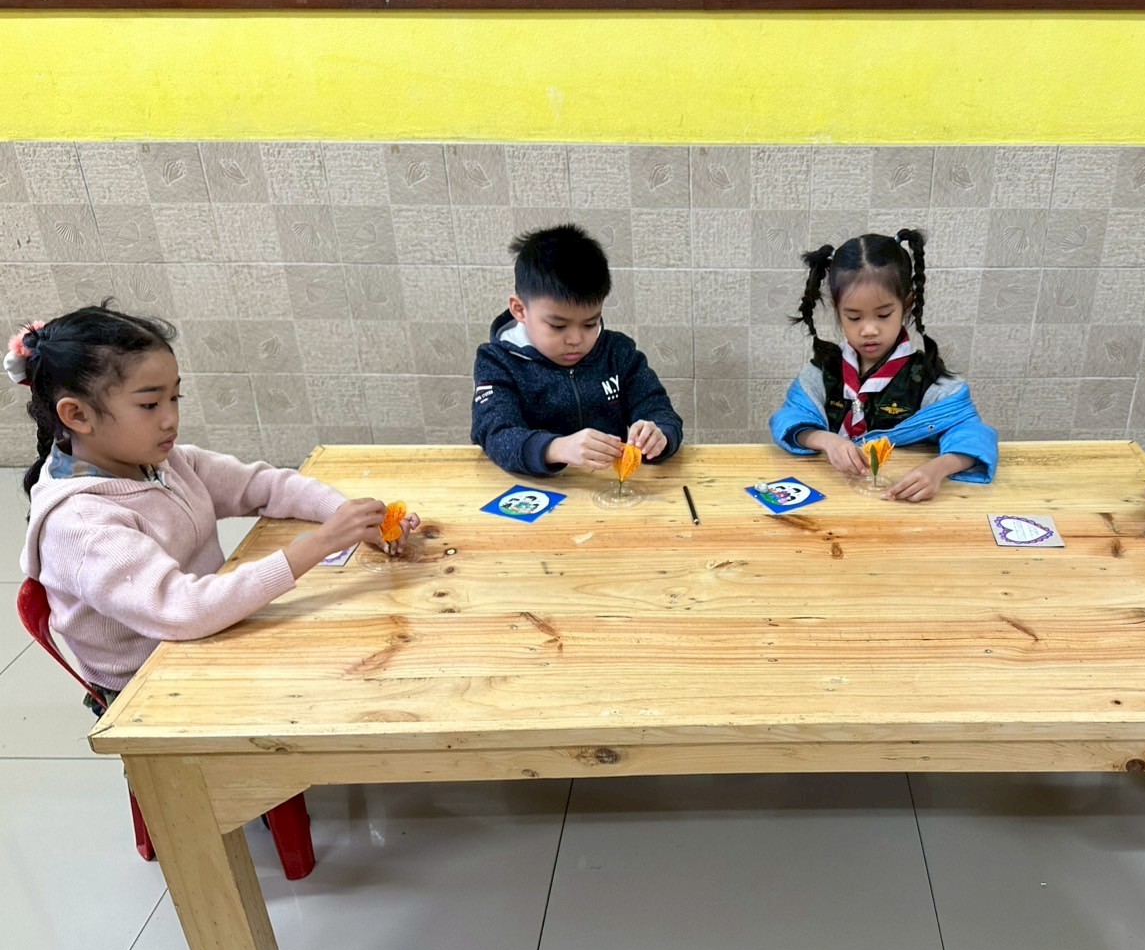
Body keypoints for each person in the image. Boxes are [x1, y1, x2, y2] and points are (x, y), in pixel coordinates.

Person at [10, 303, 418, 715]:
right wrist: (322, 543)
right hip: (155, 690)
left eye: (175, 397)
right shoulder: (81, 526)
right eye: (150, 405)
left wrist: (349, 516)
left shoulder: (166, 462)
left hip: (211, 635)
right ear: (77, 415)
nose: (171, 419)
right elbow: (183, 610)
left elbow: (264, 485)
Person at [770, 229, 997, 501]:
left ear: (907, 304)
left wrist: (938, 469)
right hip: (831, 496)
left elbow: (973, 433)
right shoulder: (823, 371)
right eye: (854, 317)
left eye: (883, 315)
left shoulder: (928, 379)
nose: (869, 330)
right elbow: (788, 418)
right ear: (838, 310)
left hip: (900, 499)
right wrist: (824, 439)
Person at [472, 224, 683, 477]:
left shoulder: (618, 353)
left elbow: (658, 408)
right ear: (520, 310)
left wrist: (659, 435)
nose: (575, 340)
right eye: (558, 326)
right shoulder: (497, 362)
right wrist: (556, 448)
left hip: (608, 485)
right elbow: (495, 434)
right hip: (535, 489)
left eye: (590, 324)